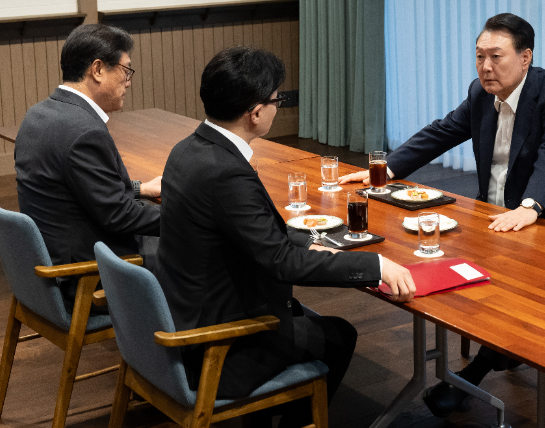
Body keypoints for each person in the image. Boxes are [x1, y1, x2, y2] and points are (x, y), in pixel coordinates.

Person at [340, 13, 545, 417]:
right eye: (479, 56)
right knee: (444, 264)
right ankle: (501, 350)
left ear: (525, 57)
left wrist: (530, 208)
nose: (485, 67)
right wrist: (387, 168)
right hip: (494, 215)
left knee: (514, 288)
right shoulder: (481, 93)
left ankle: (477, 370)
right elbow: (443, 131)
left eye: (496, 57)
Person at [154, 46, 415, 427]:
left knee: (309, 317)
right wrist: (374, 264)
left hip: (188, 312)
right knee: (339, 335)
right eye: (277, 100)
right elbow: (281, 263)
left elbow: (248, 232)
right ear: (256, 113)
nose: (278, 107)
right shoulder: (225, 171)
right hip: (219, 346)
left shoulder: (187, 149)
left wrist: (304, 240)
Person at [15, 23, 161, 307]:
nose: (129, 81)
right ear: (97, 70)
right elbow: (119, 216)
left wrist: (139, 188)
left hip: (52, 260)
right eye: (126, 70)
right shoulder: (84, 131)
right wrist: (192, 216)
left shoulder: (39, 113)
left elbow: (73, 189)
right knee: (198, 249)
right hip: (86, 278)